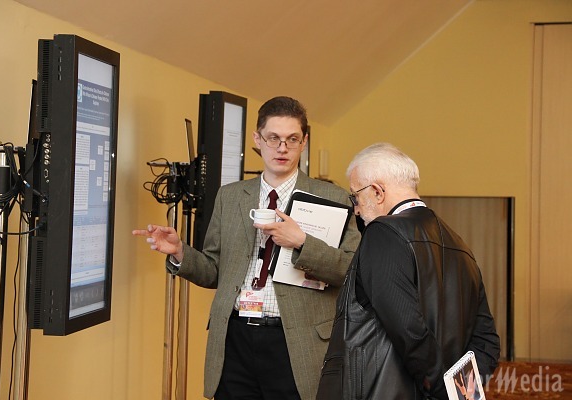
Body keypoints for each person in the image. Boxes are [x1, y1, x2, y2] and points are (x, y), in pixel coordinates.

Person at [133, 96, 360, 400]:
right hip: (235, 339)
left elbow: (351, 270)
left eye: (292, 139)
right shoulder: (230, 196)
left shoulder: (332, 197)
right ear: (257, 139)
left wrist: (302, 243)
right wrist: (180, 252)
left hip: (296, 342)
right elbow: (214, 270)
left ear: (304, 142)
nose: (282, 148)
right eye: (273, 138)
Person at [316, 143, 500, 399]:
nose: (356, 209)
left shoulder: (382, 233)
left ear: (377, 191)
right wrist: (460, 393)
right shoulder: (460, 245)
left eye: (355, 197)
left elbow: (409, 331)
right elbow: (487, 341)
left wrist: (441, 390)